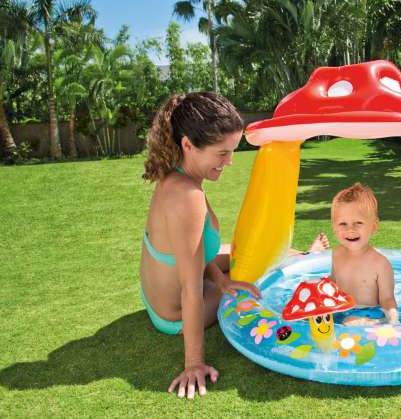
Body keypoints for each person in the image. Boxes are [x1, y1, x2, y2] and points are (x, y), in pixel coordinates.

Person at [140, 92, 329, 399]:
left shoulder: (179, 177)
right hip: (174, 315)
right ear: (188, 145)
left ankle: (304, 255)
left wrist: (222, 279)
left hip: (157, 294)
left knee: (245, 251)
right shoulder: (186, 197)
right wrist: (193, 363)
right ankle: (303, 259)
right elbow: (190, 289)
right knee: (256, 271)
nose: (229, 161)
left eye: (232, 151)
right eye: (222, 153)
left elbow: (194, 252)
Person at [328, 183, 399, 326]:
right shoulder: (337, 253)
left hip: (369, 312)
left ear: (373, 227)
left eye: (358, 223)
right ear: (334, 227)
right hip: (341, 308)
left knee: (349, 322)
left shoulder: (380, 264)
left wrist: (393, 321)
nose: (350, 229)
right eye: (343, 224)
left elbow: (387, 300)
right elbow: (334, 281)